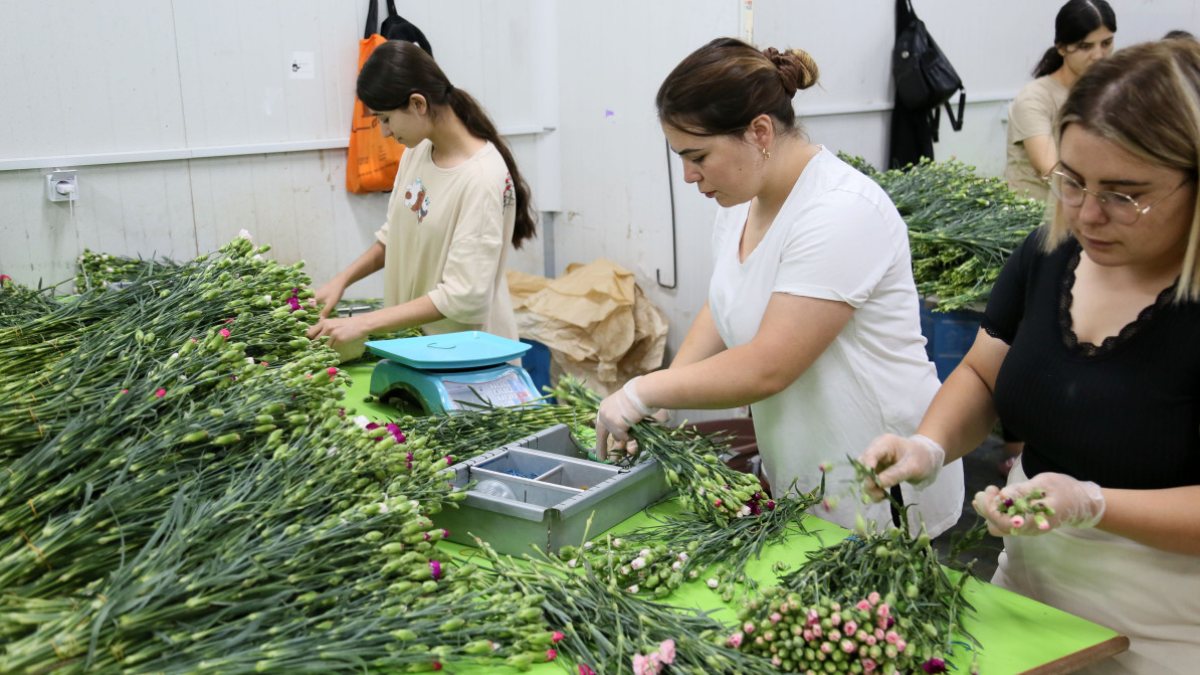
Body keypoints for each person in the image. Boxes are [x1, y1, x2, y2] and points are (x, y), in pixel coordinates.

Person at [859, 41, 1200, 673]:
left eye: (1124, 194)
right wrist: (930, 444)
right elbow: (983, 373)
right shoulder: (1050, 254)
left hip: (1170, 629)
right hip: (1028, 595)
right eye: (1072, 182)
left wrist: (1095, 504)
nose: (1088, 215)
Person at [594, 38, 963, 535]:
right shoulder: (741, 203)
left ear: (760, 131)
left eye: (698, 155)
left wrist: (642, 389)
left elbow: (770, 365)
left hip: (878, 472)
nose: (688, 175)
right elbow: (725, 303)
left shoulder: (840, 211)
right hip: (803, 465)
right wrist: (668, 395)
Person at [308, 41, 535, 355]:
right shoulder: (417, 152)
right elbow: (394, 236)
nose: (384, 132)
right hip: (418, 349)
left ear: (418, 104)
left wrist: (364, 323)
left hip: (466, 360)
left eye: (385, 119)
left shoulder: (481, 179)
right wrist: (341, 281)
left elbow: (463, 296)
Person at [1005, 0, 1116, 201]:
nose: (1099, 55)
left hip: (1091, 207)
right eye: (1085, 46)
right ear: (1062, 48)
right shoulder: (1035, 97)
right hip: (1038, 215)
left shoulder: (1111, 92)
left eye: (1106, 43)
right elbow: (1053, 171)